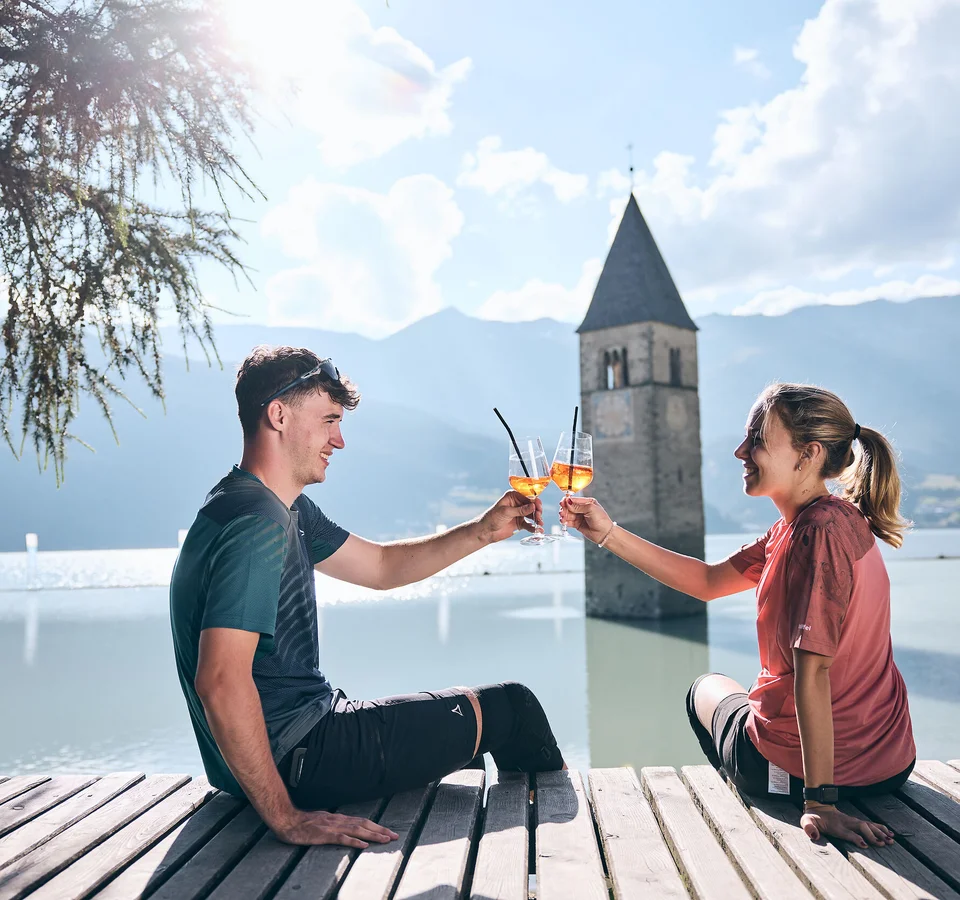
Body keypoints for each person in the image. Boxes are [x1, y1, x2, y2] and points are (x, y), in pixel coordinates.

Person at [170, 346, 565, 849]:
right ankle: (556, 864)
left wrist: (482, 532)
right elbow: (220, 681)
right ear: (278, 415)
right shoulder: (257, 524)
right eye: (329, 420)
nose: (339, 439)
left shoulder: (265, 505)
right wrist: (288, 819)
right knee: (513, 710)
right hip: (302, 756)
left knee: (460, 730)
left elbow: (381, 567)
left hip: (283, 754)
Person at [560, 383, 915, 849]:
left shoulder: (816, 534)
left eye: (758, 440)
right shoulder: (825, 522)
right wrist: (608, 533)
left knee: (704, 688)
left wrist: (821, 803)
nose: (740, 450)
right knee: (740, 691)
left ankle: (759, 801)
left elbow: (816, 673)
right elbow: (707, 582)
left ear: (807, 455)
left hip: (808, 778)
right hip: (890, 763)